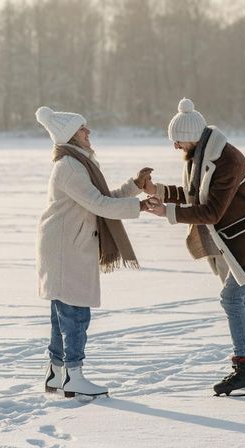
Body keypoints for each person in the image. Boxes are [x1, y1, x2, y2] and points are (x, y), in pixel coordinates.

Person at [146, 98, 245, 396]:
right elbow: (192, 194)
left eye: (178, 140)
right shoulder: (201, 157)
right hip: (240, 242)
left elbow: (211, 211)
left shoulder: (227, 161)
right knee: (239, 301)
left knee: (232, 300)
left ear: (192, 135)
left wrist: (168, 213)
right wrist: (157, 191)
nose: (176, 147)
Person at [35, 106, 155, 398]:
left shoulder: (78, 163)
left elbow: (101, 198)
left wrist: (134, 187)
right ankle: (73, 376)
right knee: (74, 312)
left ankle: (57, 372)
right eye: (82, 129)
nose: (88, 132)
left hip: (68, 245)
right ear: (70, 136)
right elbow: (99, 205)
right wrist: (139, 206)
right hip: (67, 248)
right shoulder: (70, 167)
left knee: (63, 311)